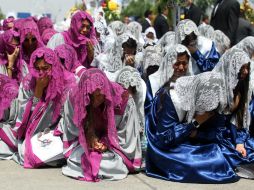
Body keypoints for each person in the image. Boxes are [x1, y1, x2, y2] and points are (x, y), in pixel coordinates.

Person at [146, 48, 254, 183]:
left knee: (224, 151)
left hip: (188, 136)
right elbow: (163, 139)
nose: (245, 72)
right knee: (211, 159)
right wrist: (195, 124)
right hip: (165, 143)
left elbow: (216, 133)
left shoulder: (217, 93)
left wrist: (198, 134)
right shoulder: (173, 98)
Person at [61, 68, 138, 181]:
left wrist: (106, 141)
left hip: (114, 146)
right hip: (83, 143)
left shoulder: (123, 100)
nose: (95, 101)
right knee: (78, 160)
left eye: (100, 96)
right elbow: (72, 128)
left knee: (111, 164)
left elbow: (126, 134)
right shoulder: (74, 97)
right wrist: (88, 138)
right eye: (91, 96)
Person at [12, 47, 75, 168]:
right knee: (27, 150)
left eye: (45, 68)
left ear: (54, 66)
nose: (41, 73)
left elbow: (68, 116)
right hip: (34, 131)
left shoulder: (68, 82)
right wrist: (38, 91)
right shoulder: (29, 82)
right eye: (37, 69)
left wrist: (55, 132)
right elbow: (24, 117)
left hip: (59, 132)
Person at [145, 44, 192, 115]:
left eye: (184, 63)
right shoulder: (154, 81)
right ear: (169, 63)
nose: (181, 68)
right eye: (177, 63)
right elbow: (148, 110)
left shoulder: (191, 82)